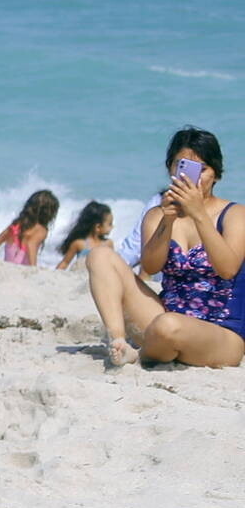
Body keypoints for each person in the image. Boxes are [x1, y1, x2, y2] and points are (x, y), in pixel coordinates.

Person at [86, 127, 242, 367]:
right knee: (100, 256)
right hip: (164, 317)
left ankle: (140, 354)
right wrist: (167, 221)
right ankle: (118, 341)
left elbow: (228, 269)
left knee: (168, 326)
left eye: (202, 169)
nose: (193, 177)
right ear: (171, 169)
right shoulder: (157, 214)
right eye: (183, 166)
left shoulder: (235, 215)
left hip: (220, 331)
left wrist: (199, 215)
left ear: (217, 175)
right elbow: (151, 266)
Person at [0, 189, 60, 267]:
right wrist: (34, 268)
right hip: (22, 270)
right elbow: (31, 245)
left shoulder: (16, 225)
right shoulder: (42, 230)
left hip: (8, 268)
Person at [54, 202, 113, 270]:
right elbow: (65, 262)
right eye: (110, 224)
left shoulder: (108, 243)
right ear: (98, 227)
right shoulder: (79, 244)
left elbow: (112, 263)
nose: (112, 227)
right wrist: (54, 274)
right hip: (82, 274)